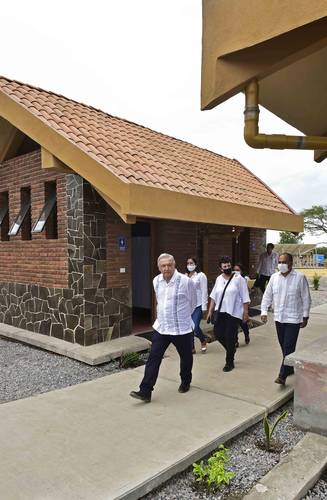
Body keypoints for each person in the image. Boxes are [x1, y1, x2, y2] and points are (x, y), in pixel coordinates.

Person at [130, 253, 197, 402]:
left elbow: (193, 303)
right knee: (153, 358)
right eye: (163, 265)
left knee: (186, 358)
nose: (166, 268)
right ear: (159, 267)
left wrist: (183, 317)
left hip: (181, 329)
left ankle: (186, 381)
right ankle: (145, 390)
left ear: (174, 265)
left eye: (169, 265)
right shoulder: (156, 281)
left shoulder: (186, 282)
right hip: (162, 328)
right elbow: (159, 301)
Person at [261, 252, 311, 385]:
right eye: (280, 262)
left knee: (289, 346)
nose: (281, 264)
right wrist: (264, 311)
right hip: (279, 318)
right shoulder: (274, 278)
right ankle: (289, 367)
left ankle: (282, 375)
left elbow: (306, 297)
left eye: (284, 262)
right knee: (284, 346)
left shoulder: (300, 277)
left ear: (291, 263)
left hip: (294, 319)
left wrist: (305, 316)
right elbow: (267, 295)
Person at [207, 256, 250, 372]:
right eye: (224, 266)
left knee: (230, 336)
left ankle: (229, 362)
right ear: (220, 268)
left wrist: (245, 312)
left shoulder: (238, 278)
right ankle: (231, 349)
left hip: (234, 312)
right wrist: (210, 311)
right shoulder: (219, 279)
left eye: (228, 265)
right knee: (218, 333)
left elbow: (245, 296)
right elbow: (213, 296)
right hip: (220, 311)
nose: (227, 268)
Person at [185, 256, 208, 353]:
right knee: (189, 327)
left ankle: (203, 340)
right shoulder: (184, 276)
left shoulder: (201, 276)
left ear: (196, 264)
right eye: (188, 263)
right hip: (187, 306)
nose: (189, 265)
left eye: (191, 263)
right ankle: (191, 347)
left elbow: (204, 291)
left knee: (195, 327)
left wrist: (204, 306)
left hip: (197, 305)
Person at [234, 263, 250, 346]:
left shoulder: (244, 279)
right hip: (234, 307)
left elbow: (245, 294)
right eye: (234, 270)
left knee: (243, 323)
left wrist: (246, 310)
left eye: (238, 270)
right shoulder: (231, 279)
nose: (235, 272)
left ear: (241, 271)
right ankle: (235, 340)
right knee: (234, 325)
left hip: (242, 305)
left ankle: (246, 335)